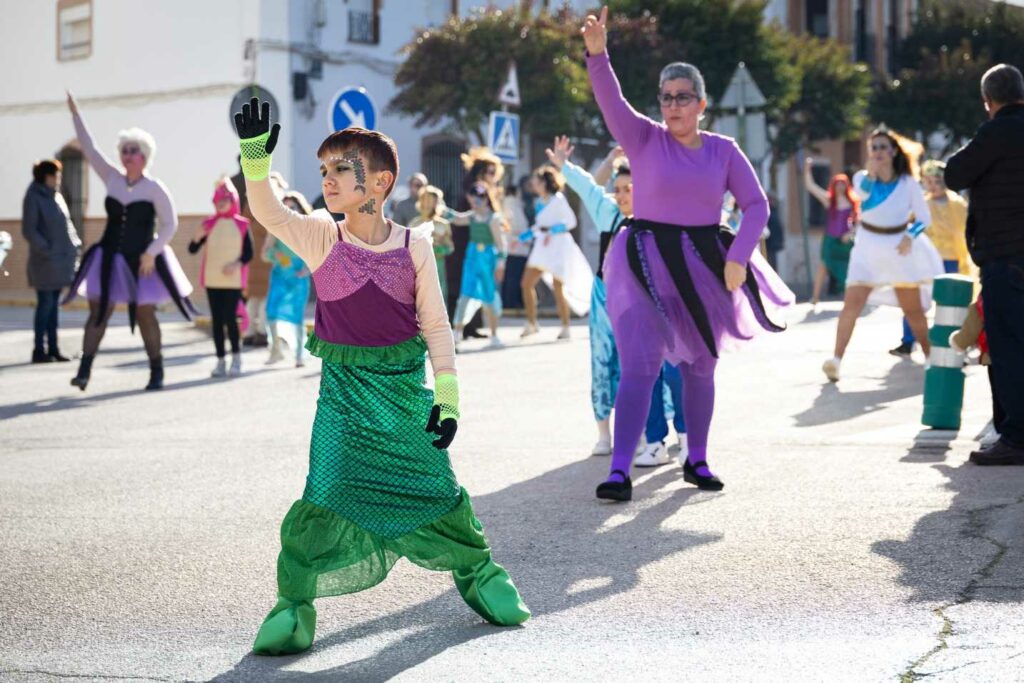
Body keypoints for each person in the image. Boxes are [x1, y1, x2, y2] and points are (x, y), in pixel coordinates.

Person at [232, 98, 529, 655]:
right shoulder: (323, 236)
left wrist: (448, 399)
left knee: (437, 492)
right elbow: (271, 214)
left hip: (403, 398)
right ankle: (293, 607)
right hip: (342, 405)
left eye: (341, 169)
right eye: (323, 171)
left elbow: (437, 327)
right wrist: (254, 162)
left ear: (380, 181)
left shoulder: (414, 244)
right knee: (324, 496)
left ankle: (481, 578)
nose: (328, 180)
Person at [582, 8, 793, 501]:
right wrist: (598, 54)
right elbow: (610, 99)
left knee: (701, 366)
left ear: (701, 103)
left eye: (683, 97)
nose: (673, 105)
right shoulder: (642, 137)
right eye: (666, 97)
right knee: (639, 365)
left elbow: (757, 204)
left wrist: (740, 254)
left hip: (704, 262)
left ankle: (696, 459)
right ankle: (619, 471)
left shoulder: (723, 150)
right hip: (645, 261)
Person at [63, 91, 194, 391]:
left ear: (144, 156)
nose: (127, 155)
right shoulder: (111, 178)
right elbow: (89, 148)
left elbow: (170, 224)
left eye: (133, 150)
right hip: (108, 256)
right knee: (98, 312)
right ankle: (83, 371)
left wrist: (152, 252)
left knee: (146, 314)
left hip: (142, 260)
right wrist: (75, 114)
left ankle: (156, 372)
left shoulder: (154, 188)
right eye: (124, 150)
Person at [945, 63, 1024, 465]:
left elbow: (954, 173)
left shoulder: (995, 131)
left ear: (988, 101)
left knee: (1008, 349)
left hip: (1007, 259)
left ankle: (1016, 437)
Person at [821, 127, 944, 381]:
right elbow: (863, 194)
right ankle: (836, 360)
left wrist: (910, 237)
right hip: (867, 248)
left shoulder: (908, 182)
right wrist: (871, 173)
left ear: (893, 151)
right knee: (851, 305)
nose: (877, 151)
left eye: (882, 147)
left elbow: (924, 218)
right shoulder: (861, 179)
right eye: (873, 147)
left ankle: (931, 357)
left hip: (899, 249)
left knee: (913, 310)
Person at [890, 159, 973, 355]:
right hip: (924, 261)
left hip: (952, 260)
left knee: (951, 303)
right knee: (914, 299)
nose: (934, 186)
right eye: (929, 181)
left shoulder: (958, 204)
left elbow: (966, 228)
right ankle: (908, 340)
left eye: (938, 181)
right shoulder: (920, 205)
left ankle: (953, 342)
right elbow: (907, 227)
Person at [189, 177, 254, 377]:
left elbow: (248, 253)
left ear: (232, 200)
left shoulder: (242, 224)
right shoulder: (208, 224)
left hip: (232, 282)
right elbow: (192, 249)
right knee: (216, 321)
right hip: (212, 280)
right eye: (218, 199)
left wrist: (236, 264)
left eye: (225, 199)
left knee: (230, 319)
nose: (221, 203)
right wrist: (196, 237)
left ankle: (236, 358)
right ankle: (220, 360)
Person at [519, 165, 593, 340]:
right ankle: (532, 323)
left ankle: (566, 326)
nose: (534, 185)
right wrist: (522, 238)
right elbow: (538, 226)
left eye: (537, 182)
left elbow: (571, 222)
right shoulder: (538, 202)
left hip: (559, 246)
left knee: (558, 287)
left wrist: (551, 230)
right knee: (526, 283)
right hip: (542, 247)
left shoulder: (559, 200)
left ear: (545, 182)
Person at [22, 158, 81, 363]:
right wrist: (47, 250)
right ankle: (39, 350)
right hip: (44, 264)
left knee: (53, 307)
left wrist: (75, 245)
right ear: (46, 176)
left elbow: (67, 225)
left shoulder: (56, 197)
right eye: (56, 175)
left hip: (60, 263)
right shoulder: (33, 197)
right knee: (45, 305)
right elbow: (30, 230)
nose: (58, 179)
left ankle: (54, 348)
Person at [448, 183, 507, 348]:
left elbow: (501, 243)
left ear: (485, 199)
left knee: (489, 295)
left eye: (477, 200)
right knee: (465, 294)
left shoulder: (493, 219)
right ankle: (456, 332)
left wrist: (501, 264)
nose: (475, 204)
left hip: (488, 260)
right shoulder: (472, 216)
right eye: (472, 201)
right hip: (472, 257)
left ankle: (494, 334)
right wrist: (441, 210)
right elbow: (458, 219)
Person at [453, 148, 504, 338]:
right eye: (490, 172)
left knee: (488, 292)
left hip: (486, 253)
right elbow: (460, 219)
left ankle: (487, 330)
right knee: (467, 290)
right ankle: (461, 329)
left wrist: (500, 260)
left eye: (494, 172)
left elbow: (499, 238)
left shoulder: (488, 202)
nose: (493, 176)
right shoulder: (476, 190)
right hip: (469, 250)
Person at [263, 190, 314, 367]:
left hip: (298, 279)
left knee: (297, 317)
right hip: (279, 277)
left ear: (300, 209)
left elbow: (317, 255)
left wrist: (307, 269)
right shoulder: (275, 229)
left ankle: (299, 354)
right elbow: (265, 254)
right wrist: (276, 255)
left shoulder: (307, 229)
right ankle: (276, 351)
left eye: (293, 207)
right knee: (271, 313)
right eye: (286, 206)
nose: (289, 209)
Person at [804, 158, 857, 308]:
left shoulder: (853, 202)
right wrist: (807, 169)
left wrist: (851, 233)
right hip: (830, 240)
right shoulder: (829, 201)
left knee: (849, 268)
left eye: (842, 184)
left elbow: (858, 222)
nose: (840, 187)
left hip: (846, 241)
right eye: (837, 184)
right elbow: (811, 186)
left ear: (847, 186)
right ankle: (815, 297)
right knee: (823, 266)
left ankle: (850, 298)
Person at [409, 185, 454, 305]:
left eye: (431, 200)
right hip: (418, 268)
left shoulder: (443, 224)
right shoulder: (414, 224)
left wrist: (440, 248)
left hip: (437, 267)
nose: (427, 203)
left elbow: (450, 247)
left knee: (438, 300)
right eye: (425, 199)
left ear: (436, 203)